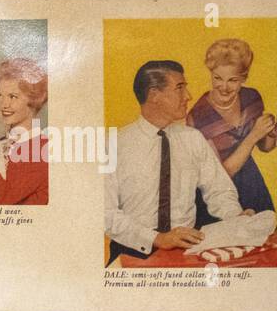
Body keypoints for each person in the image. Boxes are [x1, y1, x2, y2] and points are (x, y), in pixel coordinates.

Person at [104, 60, 245, 264]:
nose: (188, 96)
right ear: (154, 95)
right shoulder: (111, 145)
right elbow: (105, 213)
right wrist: (158, 239)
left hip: (188, 252)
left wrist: (236, 217)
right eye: (180, 88)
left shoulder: (193, 138)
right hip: (132, 252)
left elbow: (220, 191)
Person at [185, 38, 277, 221]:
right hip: (218, 197)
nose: (224, 87)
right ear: (211, 74)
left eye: (233, 80)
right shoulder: (197, 116)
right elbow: (219, 176)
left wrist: (272, 132)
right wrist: (253, 135)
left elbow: (265, 146)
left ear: (243, 78)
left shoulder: (252, 97)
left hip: (253, 185)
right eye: (217, 78)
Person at [0, 57, 49, 206]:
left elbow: (3, 201)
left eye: (13, 96)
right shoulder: (0, 143)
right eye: (0, 95)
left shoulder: (43, 149)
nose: (3, 104)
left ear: (34, 100)